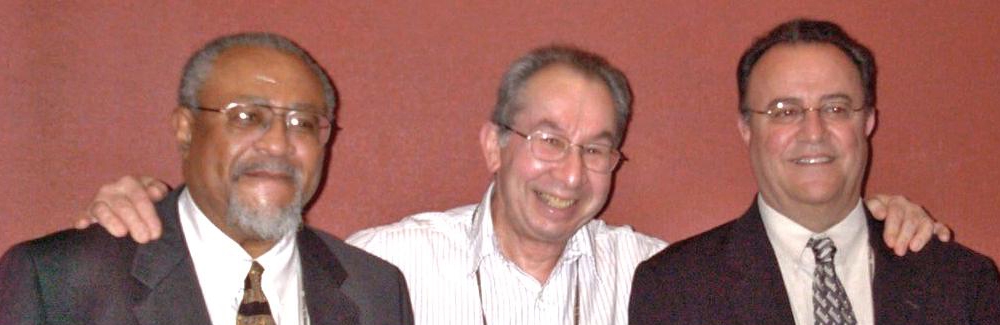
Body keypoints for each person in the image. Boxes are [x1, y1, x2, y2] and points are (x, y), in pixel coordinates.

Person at [75, 46, 948, 325]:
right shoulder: (381, 270)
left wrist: (873, 218)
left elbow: (786, 248)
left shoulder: (659, 278)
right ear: (491, 144)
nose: (570, 174)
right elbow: (246, 248)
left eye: (598, 149)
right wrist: (158, 205)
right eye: (544, 139)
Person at [0, 33, 414, 325]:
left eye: (303, 123)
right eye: (247, 117)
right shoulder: (61, 282)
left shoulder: (374, 290)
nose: (277, 143)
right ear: (185, 129)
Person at [629, 19, 1000, 325]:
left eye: (836, 108)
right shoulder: (675, 289)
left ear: (868, 121)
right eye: (784, 111)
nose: (813, 132)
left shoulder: (961, 283)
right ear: (746, 128)